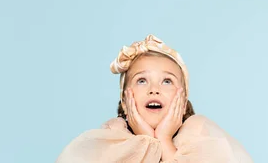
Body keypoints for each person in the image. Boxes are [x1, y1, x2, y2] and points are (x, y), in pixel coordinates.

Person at [56, 34, 254, 163]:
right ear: (124, 101)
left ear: (183, 102)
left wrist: (162, 140)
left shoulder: (199, 133)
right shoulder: (112, 139)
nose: (154, 90)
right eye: (142, 81)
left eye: (167, 81)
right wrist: (146, 141)